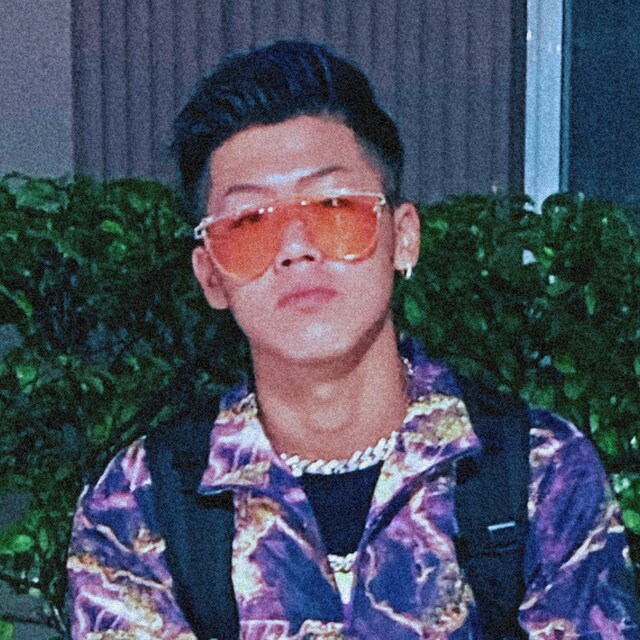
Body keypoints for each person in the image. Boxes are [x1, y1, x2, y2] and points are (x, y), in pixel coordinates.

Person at [67, 40, 639, 639]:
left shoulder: (538, 473)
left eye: (335, 205)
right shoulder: (140, 504)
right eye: (250, 221)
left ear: (403, 237)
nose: (296, 248)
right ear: (210, 273)